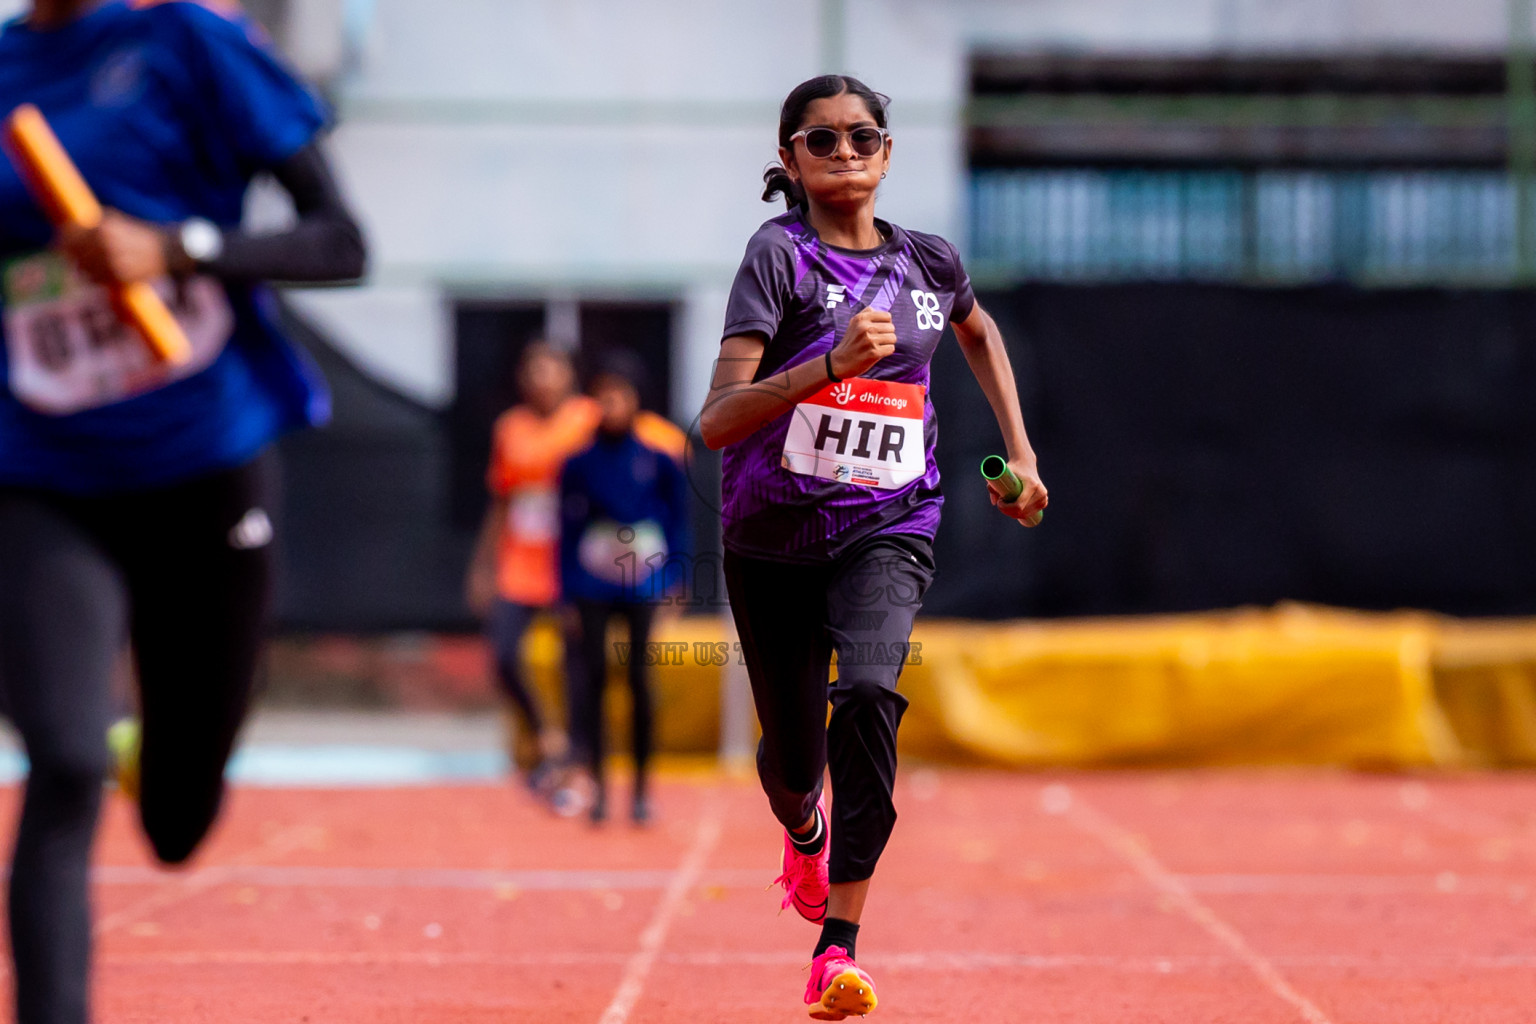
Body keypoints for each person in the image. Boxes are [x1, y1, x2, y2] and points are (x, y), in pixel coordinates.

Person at [0, 2, 366, 1022]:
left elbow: (342, 241)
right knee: (67, 758)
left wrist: (176, 250)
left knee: (174, 818)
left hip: (204, 468)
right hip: (37, 474)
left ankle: (174, 755)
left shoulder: (184, 42)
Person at [699, 75, 1048, 1019]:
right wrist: (826, 367)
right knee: (790, 763)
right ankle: (802, 828)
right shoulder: (779, 259)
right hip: (770, 537)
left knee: (866, 693)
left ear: (888, 154)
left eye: (864, 137)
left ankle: (837, 948)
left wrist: (1019, 450)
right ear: (790, 160)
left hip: (888, 527)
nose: (845, 152)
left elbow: (979, 333)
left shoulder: (930, 264)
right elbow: (716, 421)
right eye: (822, 140)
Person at [559, 350, 688, 825]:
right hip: (592, 581)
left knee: (638, 681)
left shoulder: (658, 459)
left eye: (620, 393)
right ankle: (595, 786)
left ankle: (640, 790)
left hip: (642, 581)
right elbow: (566, 531)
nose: (610, 403)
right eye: (602, 394)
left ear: (636, 400)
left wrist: (676, 577)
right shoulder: (578, 463)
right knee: (592, 680)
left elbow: (678, 522)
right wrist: (566, 592)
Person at [465, 342, 596, 792]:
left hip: (571, 558)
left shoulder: (587, 420)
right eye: (533, 369)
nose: (541, 378)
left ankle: (577, 758)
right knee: (503, 653)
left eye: (550, 368)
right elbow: (501, 499)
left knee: (573, 661)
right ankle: (546, 735)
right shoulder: (511, 427)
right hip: (520, 560)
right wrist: (483, 564)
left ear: (567, 373)